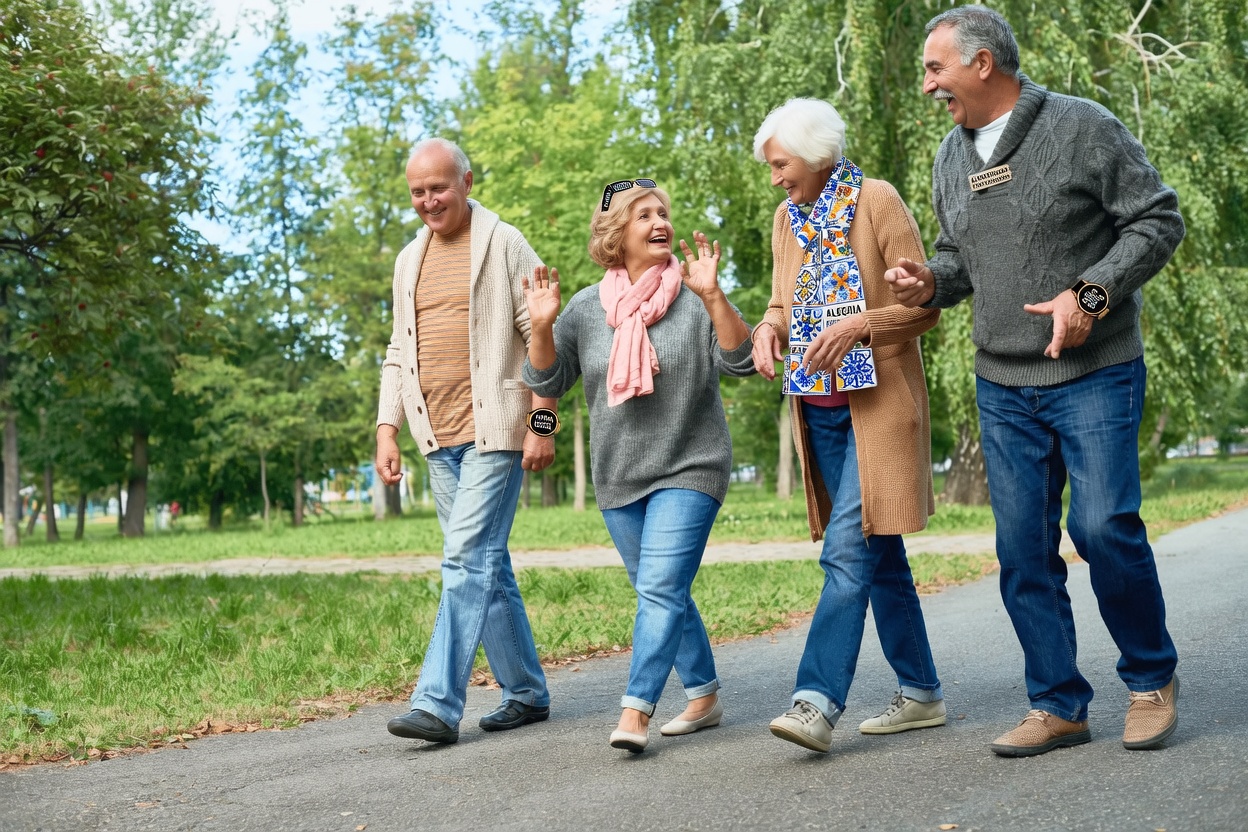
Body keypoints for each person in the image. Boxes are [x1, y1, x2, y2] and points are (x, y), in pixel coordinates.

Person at [886, 5, 1184, 757]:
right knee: (1022, 550)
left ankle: (1151, 679)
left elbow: (1157, 220)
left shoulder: (1082, 126)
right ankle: (1057, 703)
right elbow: (960, 264)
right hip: (1003, 382)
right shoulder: (951, 158)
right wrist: (929, 283)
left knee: (1103, 528)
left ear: (983, 63)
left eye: (935, 68)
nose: (928, 85)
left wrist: (1089, 296)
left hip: (1095, 370)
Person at [522, 179, 754, 753]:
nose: (660, 223)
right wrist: (544, 330)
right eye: (644, 215)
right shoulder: (581, 309)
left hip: (691, 465)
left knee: (658, 587)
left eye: (664, 213)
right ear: (615, 234)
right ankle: (703, 695)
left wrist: (716, 298)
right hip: (619, 474)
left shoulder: (694, 293)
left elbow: (742, 361)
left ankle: (636, 710)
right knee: (662, 589)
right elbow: (548, 383)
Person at [750, 98, 946, 754]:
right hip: (822, 414)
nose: (775, 177)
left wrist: (861, 323)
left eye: (781, 164)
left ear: (816, 155)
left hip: (879, 413)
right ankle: (921, 694)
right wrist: (768, 327)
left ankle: (815, 702)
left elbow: (925, 309)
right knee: (878, 554)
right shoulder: (787, 219)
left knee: (844, 553)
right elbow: (782, 299)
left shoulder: (877, 201)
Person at [376, 137, 557, 745]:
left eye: (439, 188)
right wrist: (387, 428)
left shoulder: (504, 243)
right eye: (417, 192)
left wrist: (542, 424)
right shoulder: (409, 259)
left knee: (463, 561)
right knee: (488, 566)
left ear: (467, 182)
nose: (428, 201)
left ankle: (436, 704)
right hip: (438, 436)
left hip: (496, 431)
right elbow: (398, 351)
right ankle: (527, 692)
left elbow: (542, 331)